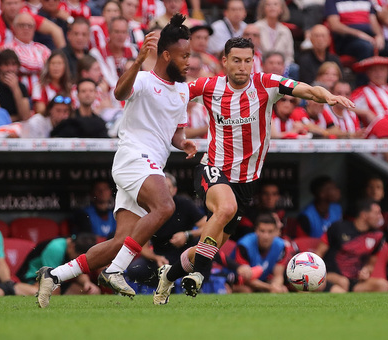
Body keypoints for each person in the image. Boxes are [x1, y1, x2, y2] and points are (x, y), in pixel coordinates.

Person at [153, 36, 355, 304]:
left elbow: (305, 89)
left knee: (207, 246)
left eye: (248, 61)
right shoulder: (208, 86)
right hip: (213, 167)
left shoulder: (267, 84)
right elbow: (170, 95)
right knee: (225, 210)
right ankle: (200, 275)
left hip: (246, 181)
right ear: (224, 61)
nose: (242, 66)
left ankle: (168, 276)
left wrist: (327, 95)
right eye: (236, 60)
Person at [36, 15, 197, 306]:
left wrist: (183, 143)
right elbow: (119, 92)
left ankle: (54, 275)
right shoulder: (144, 80)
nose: (189, 62)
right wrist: (136, 63)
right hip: (133, 157)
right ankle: (114, 271)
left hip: (150, 166)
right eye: (184, 56)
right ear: (165, 55)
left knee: (120, 242)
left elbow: (176, 133)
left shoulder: (183, 91)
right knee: (165, 206)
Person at [126, 172, 206, 287]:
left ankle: (199, 289)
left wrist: (187, 235)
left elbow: (208, 226)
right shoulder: (148, 209)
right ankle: (163, 290)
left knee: (204, 254)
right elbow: (142, 247)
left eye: (167, 188)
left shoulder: (185, 204)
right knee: (135, 269)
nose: (164, 191)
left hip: (185, 255)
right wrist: (156, 258)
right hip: (161, 256)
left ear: (174, 190)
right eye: (160, 188)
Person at [316, 198, 388, 293]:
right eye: (377, 213)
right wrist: (319, 274)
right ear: (364, 215)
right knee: (343, 282)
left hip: (356, 281)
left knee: (383, 285)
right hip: (331, 275)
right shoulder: (338, 227)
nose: (380, 217)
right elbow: (318, 253)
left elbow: (371, 264)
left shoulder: (378, 236)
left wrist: (366, 271)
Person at [17, 234, 100, 295]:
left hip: (57, 280)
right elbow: (51, 278)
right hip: (32, 279)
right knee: (54, 291)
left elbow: (78, 269)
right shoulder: (55, 249)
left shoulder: (72, 246)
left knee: (90, 292)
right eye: (78, 256)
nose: (79, 259)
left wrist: (87, 283)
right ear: (72, 246)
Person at [229, 213, 288, 293]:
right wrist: (269, 287)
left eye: (270, 232)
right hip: (236, 281)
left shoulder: (281, 246)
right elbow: (246, 279)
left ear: (276, 232)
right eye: (262, 231)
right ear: (256, 230)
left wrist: (276, 287)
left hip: (262, 281)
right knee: (246, 290)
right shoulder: (244, 245)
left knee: (283, 289)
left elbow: (278, 275)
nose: (266, 236)